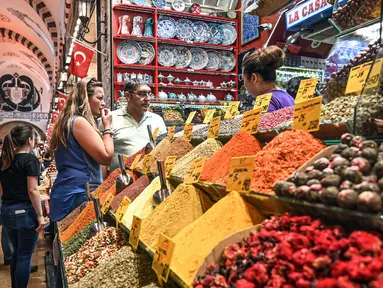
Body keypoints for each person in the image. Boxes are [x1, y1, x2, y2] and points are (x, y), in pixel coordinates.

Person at [49, 77, 113, 222]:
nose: (103, 103)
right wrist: (108, 127)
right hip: (80, 192)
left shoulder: (67, 122)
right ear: (86, 98)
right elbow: (106, 156)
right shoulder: (79, 122)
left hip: (68, 190)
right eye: (99, 98)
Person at [0, 124, 49, 288]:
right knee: (25, 255)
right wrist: (40, 216)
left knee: (17, 253)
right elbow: (32, 189)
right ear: (29, 140)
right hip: (24, 213)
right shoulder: (30, 159)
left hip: (7, 212)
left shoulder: (5, 160)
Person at [100, 79, 166, 171]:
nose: (147, 99)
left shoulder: (157, 120)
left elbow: (164, 150)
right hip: (120, 181)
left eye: (149, 94)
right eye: (142, 94)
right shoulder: (110, 119)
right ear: (128, 95)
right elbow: (101, 159)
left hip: (150, 179)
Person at [242, 45, 294, 112]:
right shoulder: (288, 96)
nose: (244, 85)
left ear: (253, 78)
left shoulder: (265, 102)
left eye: (244, 79)